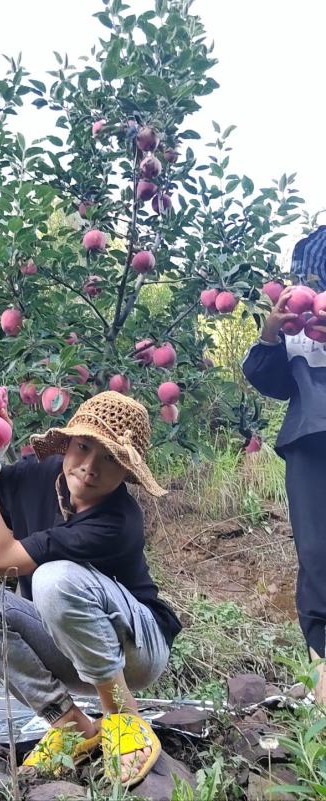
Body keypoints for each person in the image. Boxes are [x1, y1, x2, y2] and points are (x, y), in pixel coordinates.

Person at [0, 391, 182, 789]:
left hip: (137, 649)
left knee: (53, 577)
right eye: (84, 447)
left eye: (110, 459)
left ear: (127, 472)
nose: (90, 467)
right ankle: (72, 726)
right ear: (68, 444)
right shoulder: (44, 475)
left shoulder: (118, 521)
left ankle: (122, 717)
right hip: (68, 644)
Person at [242, 226, 326, 704]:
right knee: (317, 556)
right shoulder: (297, 331)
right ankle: (321, 671)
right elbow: (267, 379)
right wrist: (272, 332)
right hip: (311, 443)